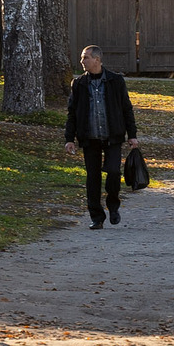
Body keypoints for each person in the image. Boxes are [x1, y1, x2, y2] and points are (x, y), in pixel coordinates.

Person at [64, 45, 139, 229]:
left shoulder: (115, 81)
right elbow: (72, 113)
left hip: (112, 135)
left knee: (113, 171)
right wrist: (69, 139)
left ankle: (113, 206)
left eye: (86, 58)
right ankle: (96, 217)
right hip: (90, 138)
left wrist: (132, 135)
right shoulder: (79, 84)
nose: (82, 61)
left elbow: (126, 109)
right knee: (93, 178)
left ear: (97, 60)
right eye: (83, 58)